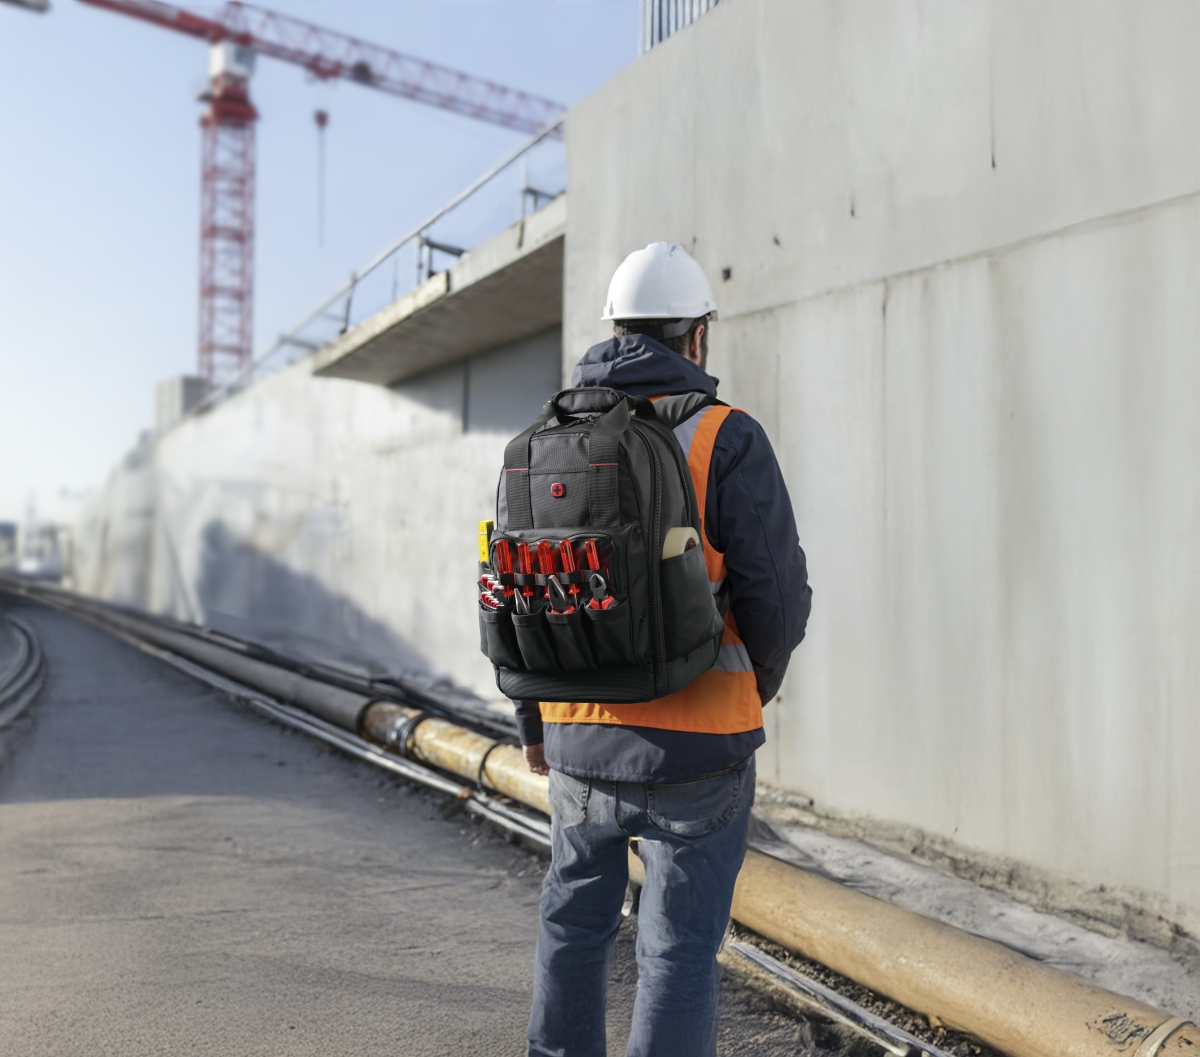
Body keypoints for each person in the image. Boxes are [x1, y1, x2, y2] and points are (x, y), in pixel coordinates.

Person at [518, 242, 812, 1057]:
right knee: (676, 954)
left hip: (578, 740)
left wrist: (534, 723)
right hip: (701, 750)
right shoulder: (726, 436)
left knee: (572, 929)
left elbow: (526, 590)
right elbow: (777, 598)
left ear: (614, 331)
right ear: (697, 336)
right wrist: (752, 687)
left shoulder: (549, 435)